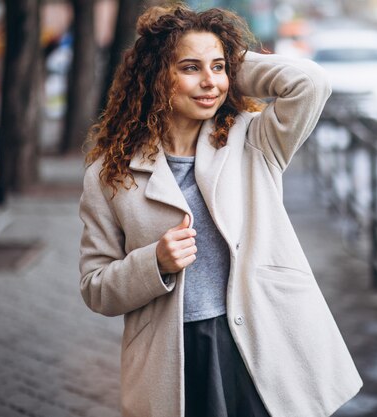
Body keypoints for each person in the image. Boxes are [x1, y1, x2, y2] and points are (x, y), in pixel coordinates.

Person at [79, 4, 362, 417]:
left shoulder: (254, 138)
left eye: (218, 68)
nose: (210, 82)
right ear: (158, 75)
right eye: (190, 68)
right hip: (174, 354)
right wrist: (153, 262)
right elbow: (95, 286)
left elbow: (310, 83)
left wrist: (226, 57)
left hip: (261, 338)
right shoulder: (109, 173)